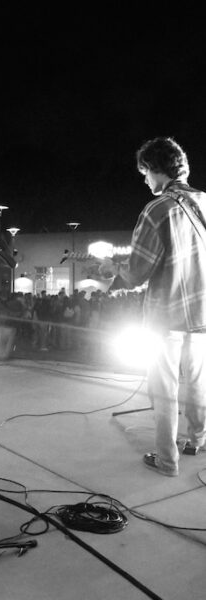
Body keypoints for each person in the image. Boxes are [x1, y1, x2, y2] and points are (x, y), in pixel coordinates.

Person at [101, 136, 206, 477]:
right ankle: (198, 439)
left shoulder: (157, 210)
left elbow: (137, 272)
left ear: (157, 169)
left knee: (165, 391)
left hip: (167, 317)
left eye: (145, 172)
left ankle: (167, 460)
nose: (145, 180)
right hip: (203, 314)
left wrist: (113, 270)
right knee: (198, 383)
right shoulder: (204, 202)